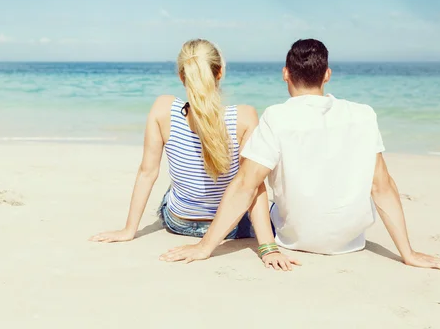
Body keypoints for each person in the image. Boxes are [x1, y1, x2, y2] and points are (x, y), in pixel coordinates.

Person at [160, 39, 440, 270]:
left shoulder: (276, 117)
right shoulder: (364, 115)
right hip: (350, 241)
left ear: (285, 74)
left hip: (294, 238)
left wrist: (204, 248)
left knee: (259, 185)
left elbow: (244, 185)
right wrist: (408, 253)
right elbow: (382, 186)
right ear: (326, 75)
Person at [90, 39, 300, 270]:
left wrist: (129, 230)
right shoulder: (244, 117)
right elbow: (252, 187)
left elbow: (147, 172)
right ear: (219, 73)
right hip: (231, 228)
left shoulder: (163, 108)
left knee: (176, 188)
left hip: (178, 221)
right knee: (252, 183)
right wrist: (268, 247)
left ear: (182, 76)